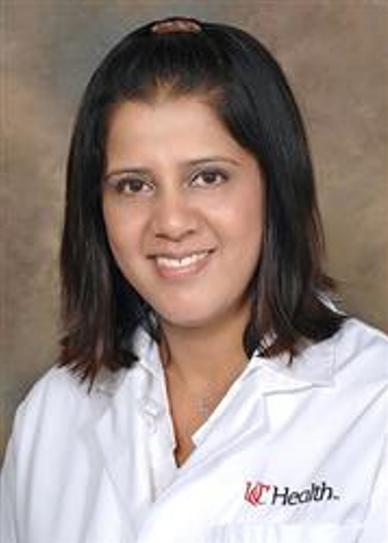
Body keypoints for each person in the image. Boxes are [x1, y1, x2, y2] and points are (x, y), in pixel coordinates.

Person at [0, 15, 387, 543]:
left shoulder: (375, 406)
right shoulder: (52, 416)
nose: (172, 222)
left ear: (276, 186)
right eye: (134, 185)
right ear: (98, 207)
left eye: (208, 177)